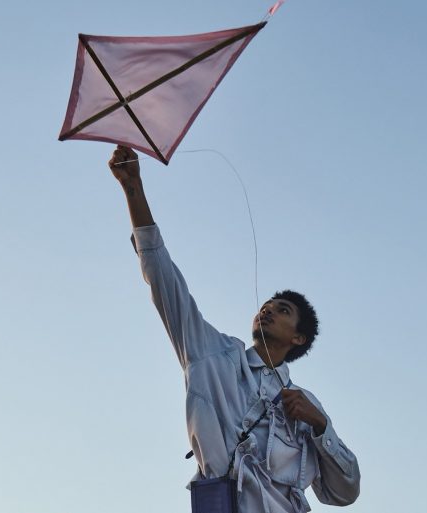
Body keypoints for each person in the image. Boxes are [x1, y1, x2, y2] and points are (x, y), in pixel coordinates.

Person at [109, 145, 360, 512]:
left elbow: (344, 493)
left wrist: (321, 426)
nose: (268, 310)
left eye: (282, 310)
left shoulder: (304, 405)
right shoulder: (211, 355)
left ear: (298, 338)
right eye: (266, 305)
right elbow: (166, 282)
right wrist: (134, 191)